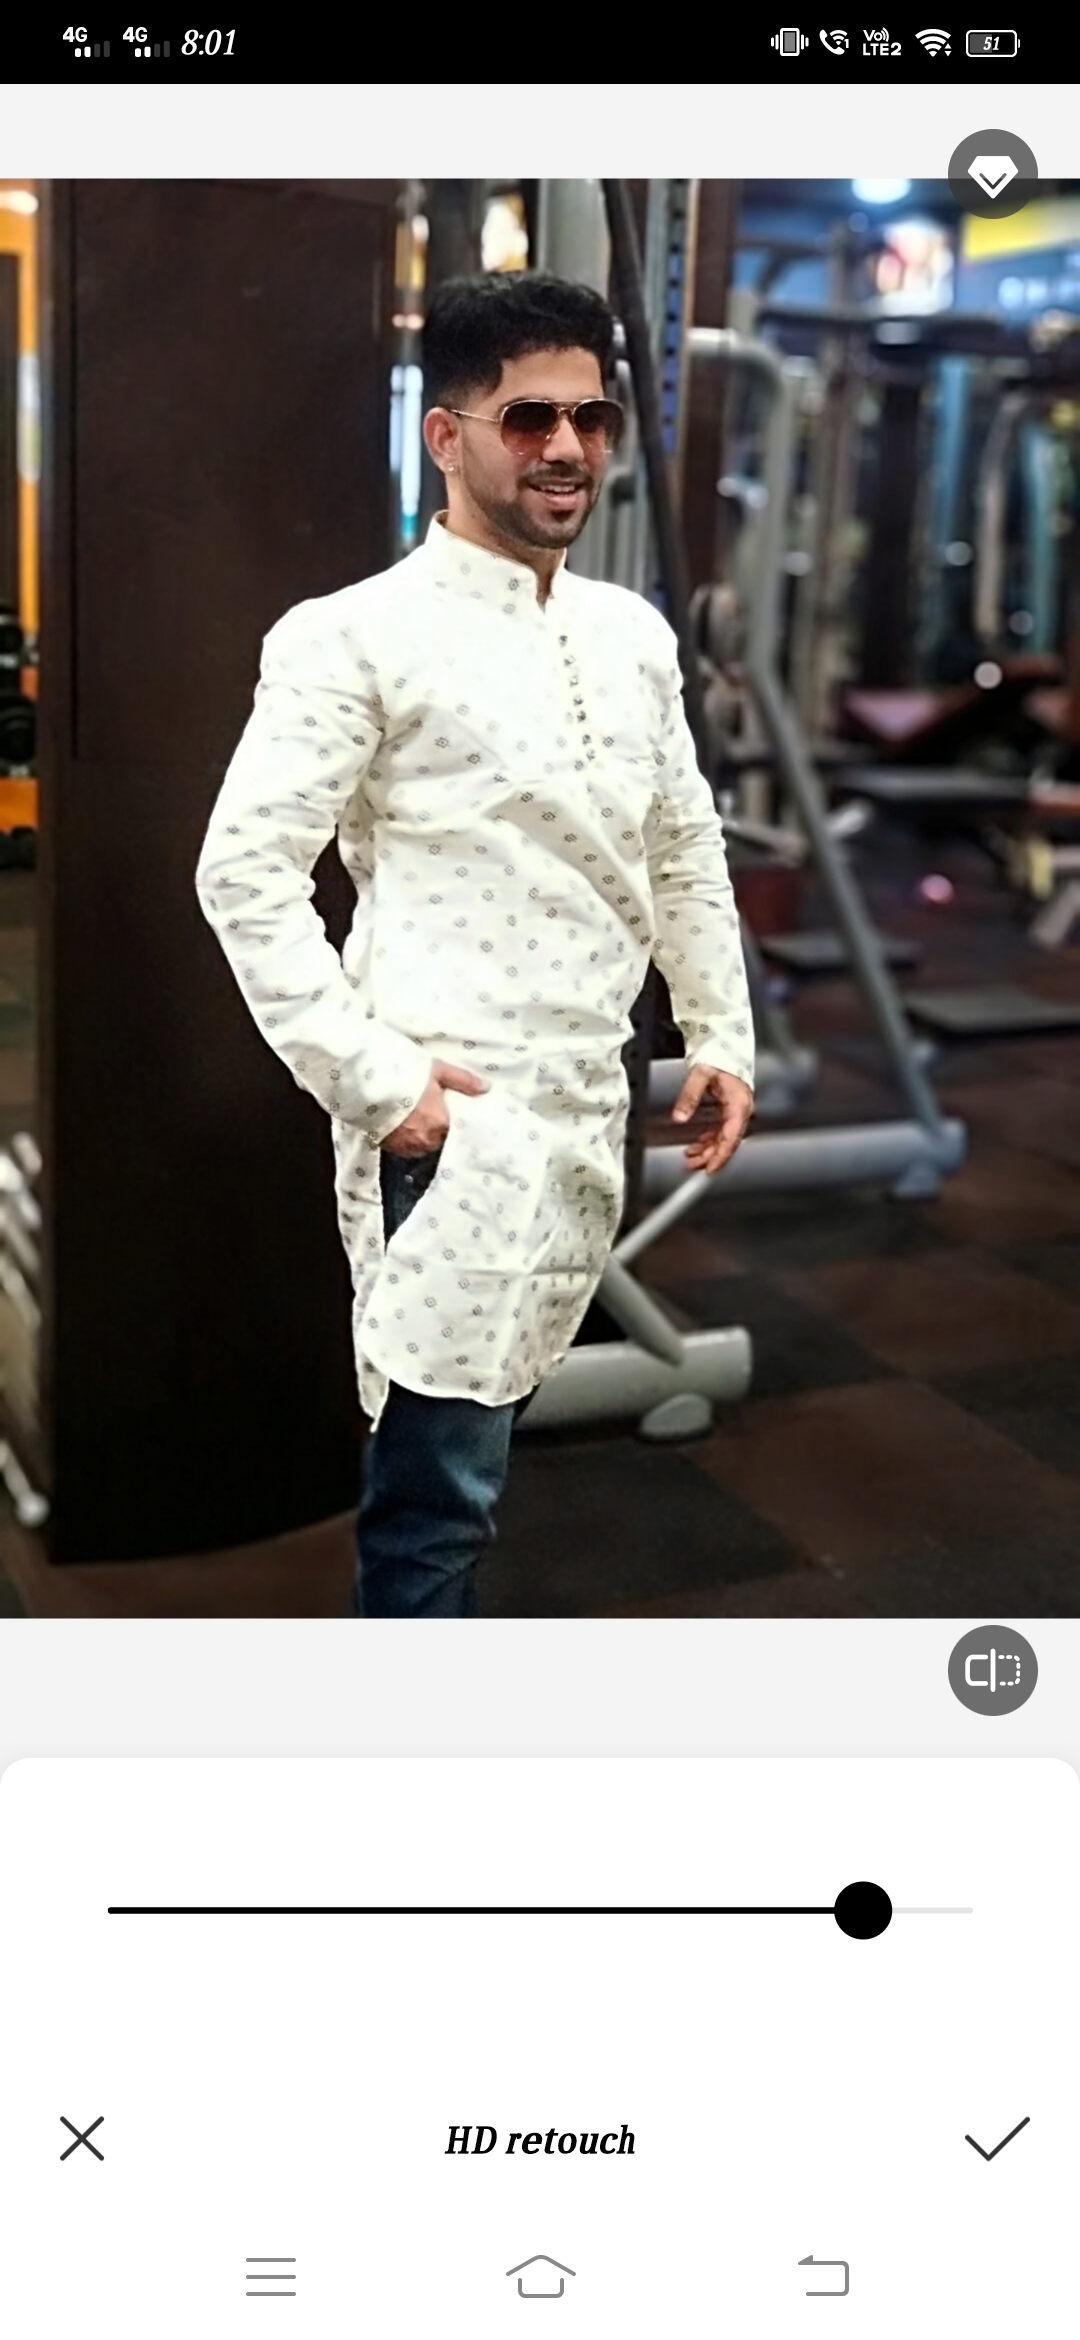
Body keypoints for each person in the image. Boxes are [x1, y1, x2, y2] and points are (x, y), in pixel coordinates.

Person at [195, 270, 754, 1619]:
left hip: (588, 1098)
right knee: (437, 1508)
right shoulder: (352, 636)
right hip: (451, 1123)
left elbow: (683, 843)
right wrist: (378, 1083)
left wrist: (721, 1030)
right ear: (446, 436)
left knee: (484, 1466)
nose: (567, 447)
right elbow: (243, 870)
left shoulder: (629, 636)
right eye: (528, 419)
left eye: (589, 418)